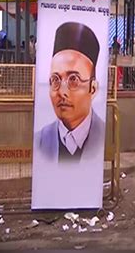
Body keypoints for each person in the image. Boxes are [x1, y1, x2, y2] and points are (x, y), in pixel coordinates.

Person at [34, 22, 105, 164]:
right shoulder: (40, 140)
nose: (62, 92)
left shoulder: (104, 136)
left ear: (93, 88)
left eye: (74, 79)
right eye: (55, 80)